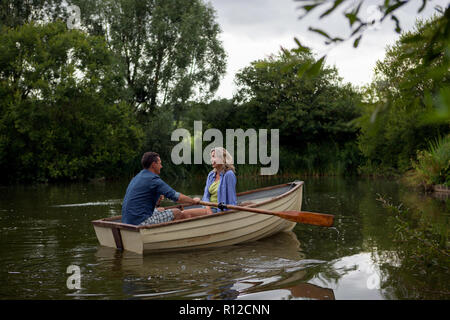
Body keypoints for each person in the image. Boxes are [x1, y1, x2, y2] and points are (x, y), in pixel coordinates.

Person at [121, 152, 202, 226]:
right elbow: (176, 197)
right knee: (177, 212)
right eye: (160, 163)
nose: (161, 166)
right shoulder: (154, 180)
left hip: (126, 221)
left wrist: (157, 203)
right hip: (140, 222)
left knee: (161, 209)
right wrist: (193, 201)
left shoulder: (136, 177)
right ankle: (168, 236)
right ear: (153, 164)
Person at [181, 147, 237, 216]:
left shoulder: (229, 174)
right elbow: (206, 196)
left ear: (223, 159)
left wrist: (232, 215)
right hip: (208, 208)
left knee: (185, 213)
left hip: (220, 210)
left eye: (214, 157)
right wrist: (208, 210)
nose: (211, 159)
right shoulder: (211, 175)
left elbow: (232, 199)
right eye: (211, 157)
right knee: (183, 213)